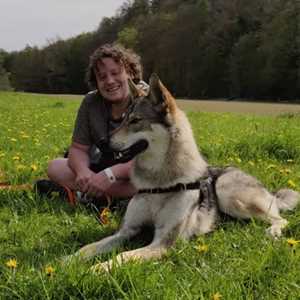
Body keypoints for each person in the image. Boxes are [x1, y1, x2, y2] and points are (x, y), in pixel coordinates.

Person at [36, 43, 149, 206]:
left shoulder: (148, 101)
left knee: (154, 183)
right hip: (104, 167)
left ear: (130, 73)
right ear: (96, 82)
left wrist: (110, 174)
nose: (109, 81)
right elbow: (78, 149)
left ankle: (91, 195)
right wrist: (83, 172)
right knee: (55, 167)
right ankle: (107, 197)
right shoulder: (90, 102)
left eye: (115, 73)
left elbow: (155, 159)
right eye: (102, 77)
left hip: (141, 171)